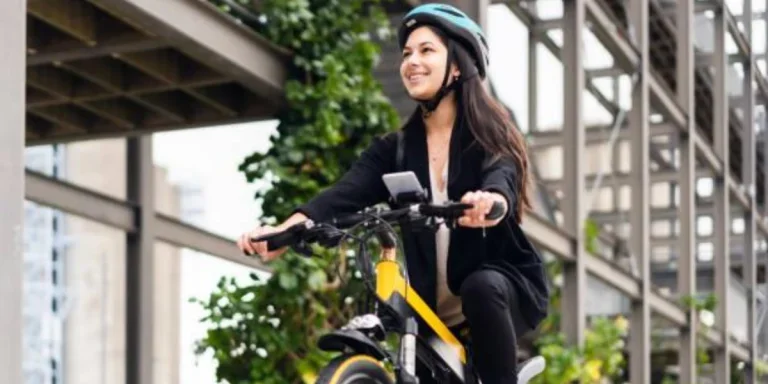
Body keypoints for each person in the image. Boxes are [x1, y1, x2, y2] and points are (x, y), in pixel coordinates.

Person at [237, 3, 549, 383]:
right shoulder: (395, 149)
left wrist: (491, 203)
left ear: (456, 66)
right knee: (385, 318)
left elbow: (502, 178)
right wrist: (283, 232)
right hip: (428, 304)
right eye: (406, 53)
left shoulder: (489, 137)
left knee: (480, 286)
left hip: (499, 291)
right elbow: (341, 196)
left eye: (426, 50)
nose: (411, 61)